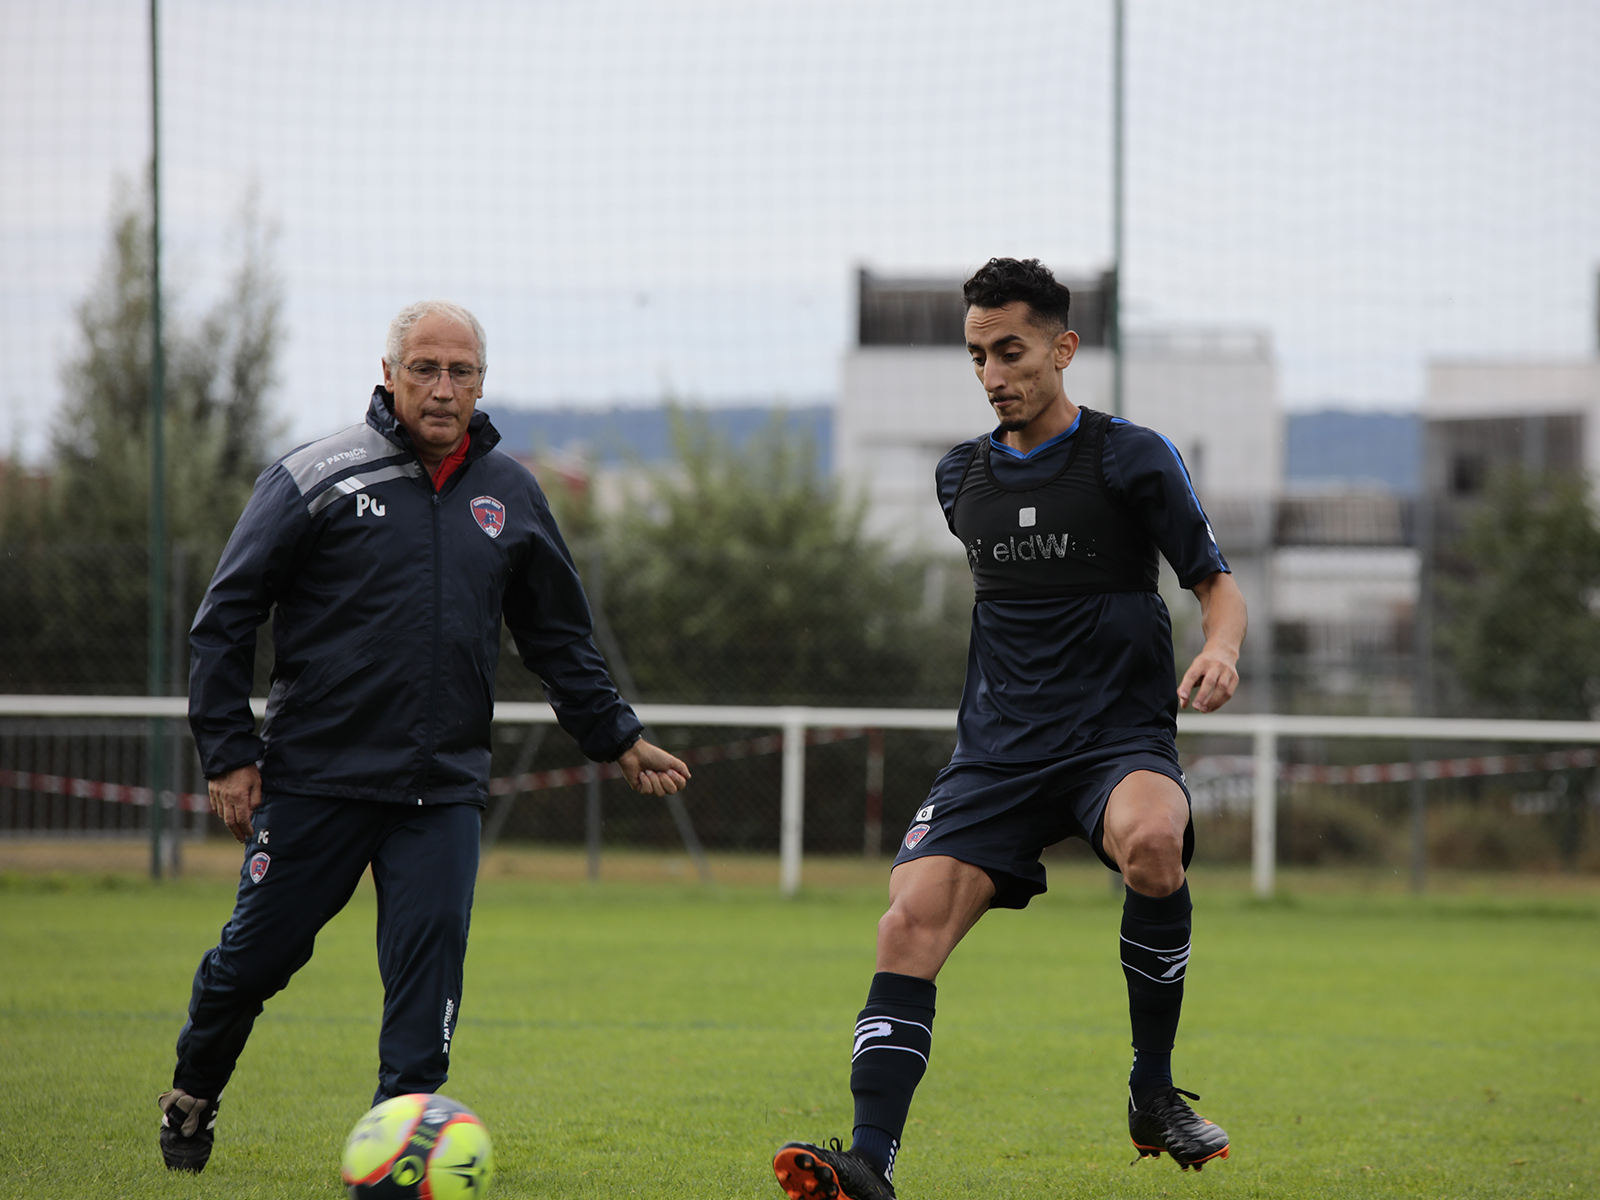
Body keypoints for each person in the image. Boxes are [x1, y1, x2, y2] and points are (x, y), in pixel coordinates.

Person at [158, 299, 689, 1172]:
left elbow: (557, 636)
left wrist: (617, 737)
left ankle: (401, 1159)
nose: (443, 390)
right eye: (426, 370)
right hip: (317, 777)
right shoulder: (312, 476)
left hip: (441, 789)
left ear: (482, 382)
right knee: (252, 962)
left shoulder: (511, 493)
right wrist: (230, 753)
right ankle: (193, 1092)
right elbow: (225, 620)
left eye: (461, 373)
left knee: (425, 988)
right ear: (389, 374)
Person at [772, 258, 1247, 1199]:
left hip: (1115, 742)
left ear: (1063, 349)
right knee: (905, 924)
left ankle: (1153, 1093)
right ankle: (868, 1163)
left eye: (1012, 352)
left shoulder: (1131, 457)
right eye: (979, 356)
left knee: (1155, 840)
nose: (994, 374)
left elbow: (1214, 583)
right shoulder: (960, 477)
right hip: (996, 754)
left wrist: (1222, 649)